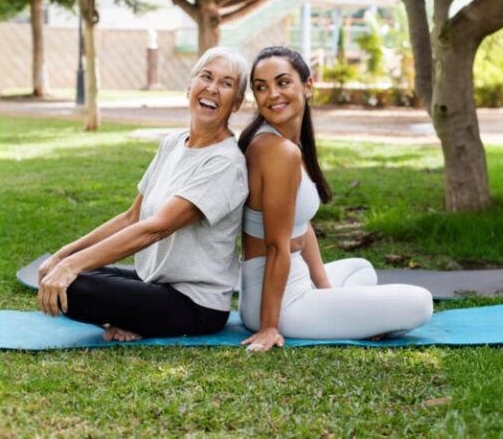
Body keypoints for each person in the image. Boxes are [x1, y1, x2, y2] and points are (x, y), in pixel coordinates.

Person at [36, 47, 249, 341]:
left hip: (194, 303)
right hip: (154, 281)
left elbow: (154, 228)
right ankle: (133, 319)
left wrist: (70, 266)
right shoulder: (173, 143)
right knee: (64, 275)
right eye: (206, 77)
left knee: (73, 285)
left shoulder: (225, 164)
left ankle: (139, 320)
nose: (212, 88)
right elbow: (131, 217)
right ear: (190, 86)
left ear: (236, 102)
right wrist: (63, 256)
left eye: (227, 84)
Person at [238, 46, 433, 351]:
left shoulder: (288, 142)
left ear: (308, 86)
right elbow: (277, 246)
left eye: (282, 82)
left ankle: (339, 309)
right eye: (261, 87)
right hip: (280, 301)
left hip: (284, 283)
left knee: (361, 268)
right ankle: (339, 315)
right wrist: (269, 326)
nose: (272, 94)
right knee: (421, 303)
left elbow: (302, 226)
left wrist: (326, 290)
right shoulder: (276, 150)